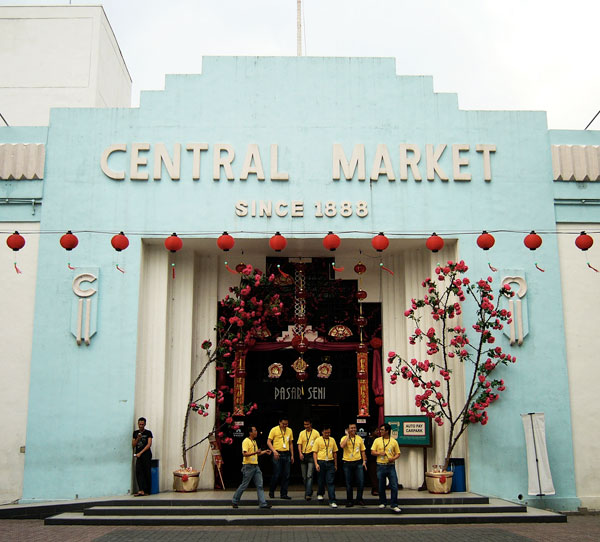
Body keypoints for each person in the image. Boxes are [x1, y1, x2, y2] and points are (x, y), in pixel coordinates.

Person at [232, 425, 272, 509]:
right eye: (255, 431)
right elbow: (244, 453)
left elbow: (257, 453)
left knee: (260, 485)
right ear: (250, 432)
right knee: (244, 484)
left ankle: (263, 503)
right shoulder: (246, 441)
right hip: (248, 466)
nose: (256, 432)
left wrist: (265, 451)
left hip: (255, 466)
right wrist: (255, 453)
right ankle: (235, 500)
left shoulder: (254, 442)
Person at [371, 422, 401, 513]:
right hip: (380, 465)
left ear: (387, 431)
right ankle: (383, 502)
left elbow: (398, 453)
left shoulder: (393, 441)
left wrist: (393, 458)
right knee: (381, 485)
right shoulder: (377, 440)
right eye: (380, 430)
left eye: (382, 430)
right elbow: (372, 452)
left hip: (390, 466)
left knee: (394, 485)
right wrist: (379, 453)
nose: (381, 431)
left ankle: (394, 504)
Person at [340, 422, 367, 507]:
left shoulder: (359, 438)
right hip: (347, 463)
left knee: (361, 482)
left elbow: (363, 450)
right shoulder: (344, 438)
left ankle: (359, 499)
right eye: (351, 428)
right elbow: (342, 446)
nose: (353, 429)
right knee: (349, 483)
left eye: (354, 428)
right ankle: (349, 500)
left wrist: (364, 461)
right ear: (348, 429)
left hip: (358, 462)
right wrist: (347, 436)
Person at [267, 416, 294, 499]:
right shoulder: (274, 429)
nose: (285, 425)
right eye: (283, 424)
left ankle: (284, 493)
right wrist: (274, 451)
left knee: (286, 475)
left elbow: (290, 443)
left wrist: (292, 455)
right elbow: (268, 441)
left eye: (286, 424)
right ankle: (272, 491)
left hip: (286, 454)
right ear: (279, 422)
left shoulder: (289, 430)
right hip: (277, 453)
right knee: (277, 474)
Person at [312, 425, 338, 508]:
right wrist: (316, 464)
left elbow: (335, 452)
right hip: (321, 462)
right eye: (326, 433)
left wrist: (335, 464)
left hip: (330, 462)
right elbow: (315, 452)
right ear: (322, 432)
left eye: (329, 433)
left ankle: (332, 500)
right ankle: (320, 493)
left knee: (330, 482)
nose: (327, 434)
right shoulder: (318, 440)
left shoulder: (332, 440)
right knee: (321, 480)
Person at [297, 418, 320, 501]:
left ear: (311, 424)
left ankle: (308, 494)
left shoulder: (316, 433)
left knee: (309, 475)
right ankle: (309, 489)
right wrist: (300, 453)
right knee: (304, 477)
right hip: (304, 455)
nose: (306, 426)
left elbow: (318, 444)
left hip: (311, 455)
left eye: (307, 424)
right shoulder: (302, 433)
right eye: (305, 424)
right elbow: (299, 444)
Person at [132, 417, 153, 496]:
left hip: (146, 455)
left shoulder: (148, 433)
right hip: (138, 456)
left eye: (142, 424)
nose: (141, 426)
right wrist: (138, 438)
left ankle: (147, 490)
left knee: (146, 472)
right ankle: (140, 490)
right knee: (138, 472)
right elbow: (133, 445)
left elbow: (149, 444)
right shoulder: (135, 433)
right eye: (140, 424)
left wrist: (141, 452)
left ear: (145, 424)